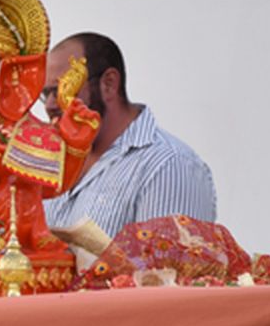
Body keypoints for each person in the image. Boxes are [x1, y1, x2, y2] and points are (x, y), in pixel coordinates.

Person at [41, 32, 217, 240]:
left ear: (109, 84)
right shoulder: (49, 158)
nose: (51, 105)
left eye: (62, 91)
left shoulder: (169, 164)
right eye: (45, 94)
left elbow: (168, 269)